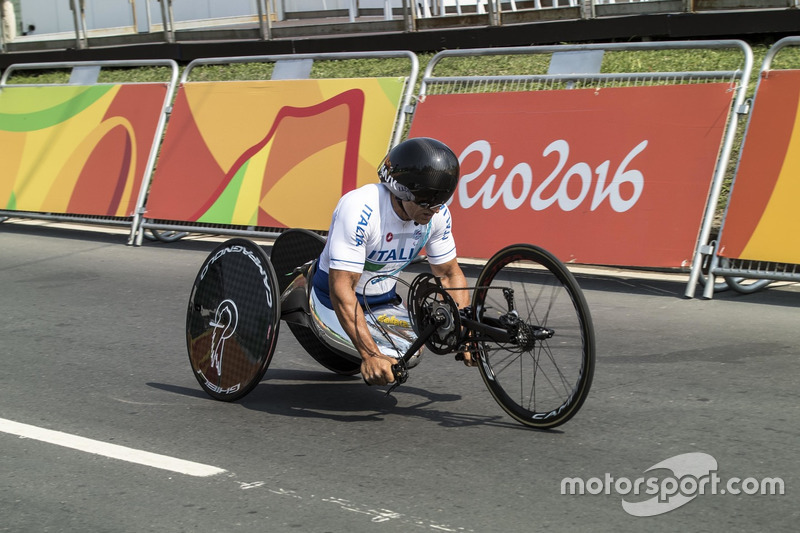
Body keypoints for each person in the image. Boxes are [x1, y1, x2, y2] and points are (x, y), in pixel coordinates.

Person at [310, 137, 474, 386]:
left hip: (384, 302)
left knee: (416, 349)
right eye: (426, 202)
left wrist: (462, 332)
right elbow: (342, 290)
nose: (435, 210)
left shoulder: (437, 215)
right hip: (330, 300)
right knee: (389, 358)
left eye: (441, 202)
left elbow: (449, 274)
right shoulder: (360, 208)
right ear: (401, 190)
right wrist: (370, 354)